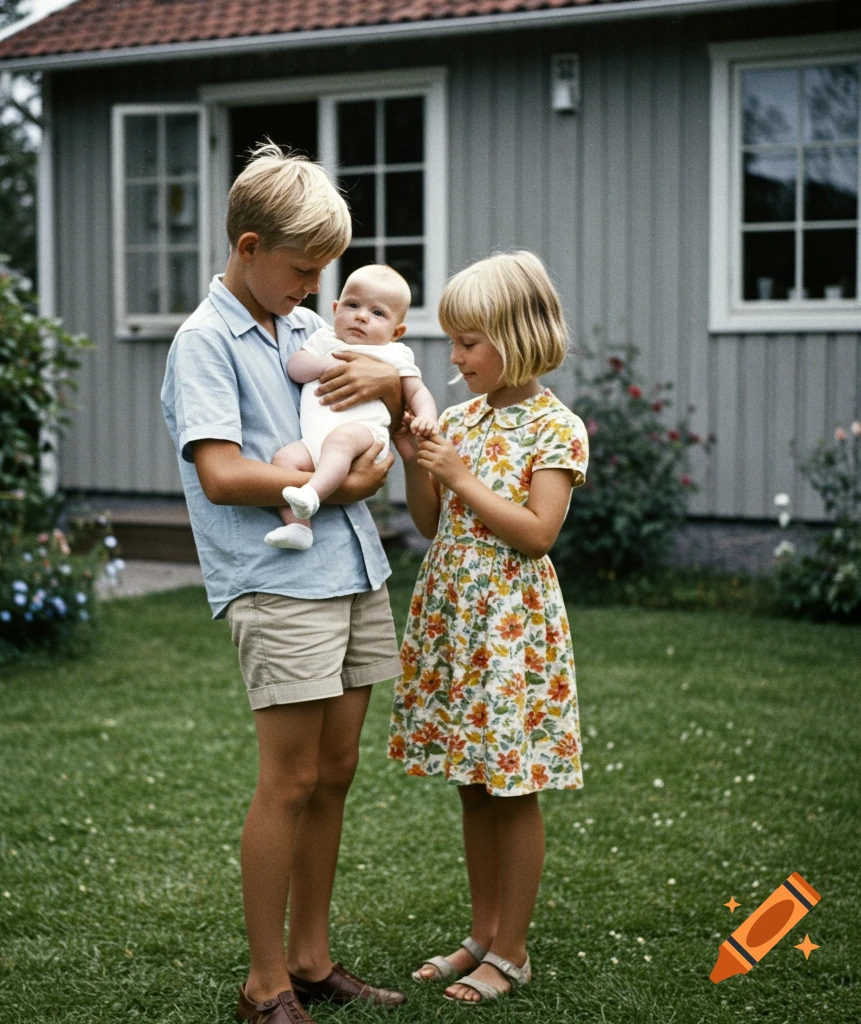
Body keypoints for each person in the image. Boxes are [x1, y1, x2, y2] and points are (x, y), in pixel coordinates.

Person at [160, 143, 409, 1024]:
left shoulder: (303, 327)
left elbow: (375, 388)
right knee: (289, 779)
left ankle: (311, 959)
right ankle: (264, 986)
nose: (314, 288)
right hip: (276, 579)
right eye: (303, 270)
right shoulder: (202, 342)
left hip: (352, 568)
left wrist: (384, 395)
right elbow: (223, 474)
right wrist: (340, 482)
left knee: (336, 770)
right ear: (251, 245)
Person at [388, 251, 589, 1004]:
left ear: (518, 335)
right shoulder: (461, 421)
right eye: (452, 342)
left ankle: (512, 950)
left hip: (512, 629)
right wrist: (418, 465)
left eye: (469, 341)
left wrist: (463, 476)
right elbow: (431, 523)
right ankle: (481, 932)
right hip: (457, 621)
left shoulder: (555, 428)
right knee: (473, 784)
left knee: (513, 788)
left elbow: (538, 533)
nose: (455, 357)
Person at [265, 264, 438, 551]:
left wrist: (427, 417)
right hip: (314, 441)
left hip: (363, 437)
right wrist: (325, 364)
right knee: (284, 459)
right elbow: (296, 367)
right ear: (335, 309)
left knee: (340, 441)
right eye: (353, 304)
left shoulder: (393, 353)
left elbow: (416, 391)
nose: (361, 316)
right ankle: (299, 529)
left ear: (397, 331)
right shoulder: (323, 340)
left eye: (377, 313)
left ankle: (311, 495)